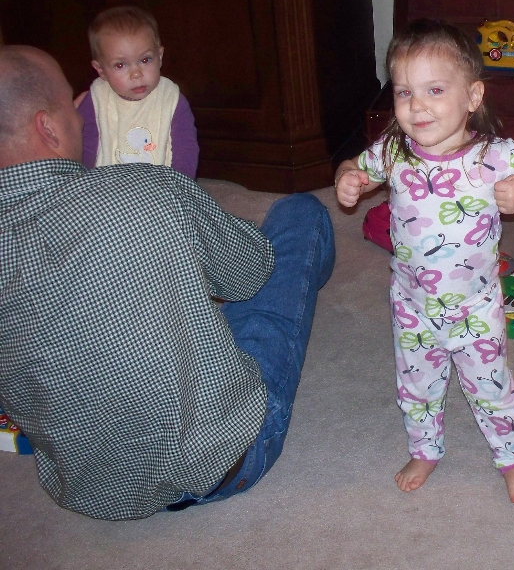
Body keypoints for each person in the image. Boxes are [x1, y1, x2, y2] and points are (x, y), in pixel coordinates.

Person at [0, 45, 334, 520]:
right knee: (300, 214)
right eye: (72, 107)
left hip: (89, 490)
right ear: (47, 128)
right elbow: (250, 274)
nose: (79, 116)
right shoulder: (147, 187)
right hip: (222, 461)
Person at [335, 19, 514, 503]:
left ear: (472, 96)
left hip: (475, 308)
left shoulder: (494, 156)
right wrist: (348, 178)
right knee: (416, 386)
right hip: (412, 305)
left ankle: (512, 458)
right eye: (404, 92)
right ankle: (425, 449)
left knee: (491, 387)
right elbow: (355, 166)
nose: (417, 105)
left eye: (435, 90)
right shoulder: (393, 150)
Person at [76, 5, 199, 177]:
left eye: (145, 60)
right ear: (101, 70)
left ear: (159, 57)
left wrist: (180, 184)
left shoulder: (171, 99)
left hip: (161, 187)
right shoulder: (96, 100)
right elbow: (84, 148)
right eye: (120, 65)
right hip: (106, 186)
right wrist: (84, 181)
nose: (136, 74)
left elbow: (186, 149)